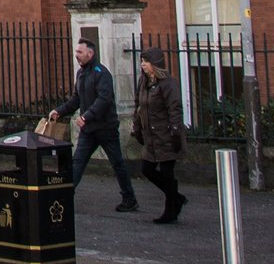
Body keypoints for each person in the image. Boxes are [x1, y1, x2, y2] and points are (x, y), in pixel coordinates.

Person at [49, 39, 139, 213]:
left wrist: (86, 116)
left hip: (105, 128)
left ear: (90, 54)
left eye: (80, 52)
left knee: (117, 163)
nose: (76, 56)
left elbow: (104, 100)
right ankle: (65, 195)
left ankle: (129, 197)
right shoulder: (81, 74)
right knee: (77, 162)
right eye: (76, 52)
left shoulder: (102, 73)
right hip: (89, 130)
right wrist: (59, 111)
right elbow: (76, 99)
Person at [132, 46, 187, 223]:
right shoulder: (143, 82)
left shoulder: (168, 83)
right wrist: (137, 126)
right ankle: (176, 196)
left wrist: (175, 131)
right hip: (151, 137)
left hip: (166, 135)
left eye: (146, 62)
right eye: (142, 61)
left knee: (166, 172)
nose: (143, 65)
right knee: (147, 170)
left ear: (155, 64)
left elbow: (175, 108)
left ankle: (171, 210)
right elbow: (138, 106)